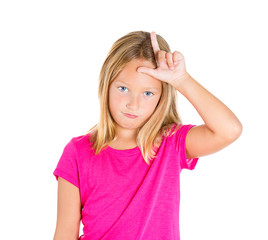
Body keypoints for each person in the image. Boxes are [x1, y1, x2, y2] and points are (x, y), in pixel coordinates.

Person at [52, 31, 242, 240]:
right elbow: (65, 232)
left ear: (162, 95)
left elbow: (229, 130)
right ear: (106, 85)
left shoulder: (171, 143)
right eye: (123, 88)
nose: (134, 104)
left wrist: (182, 79)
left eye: (148, 93)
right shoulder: (78, 152)